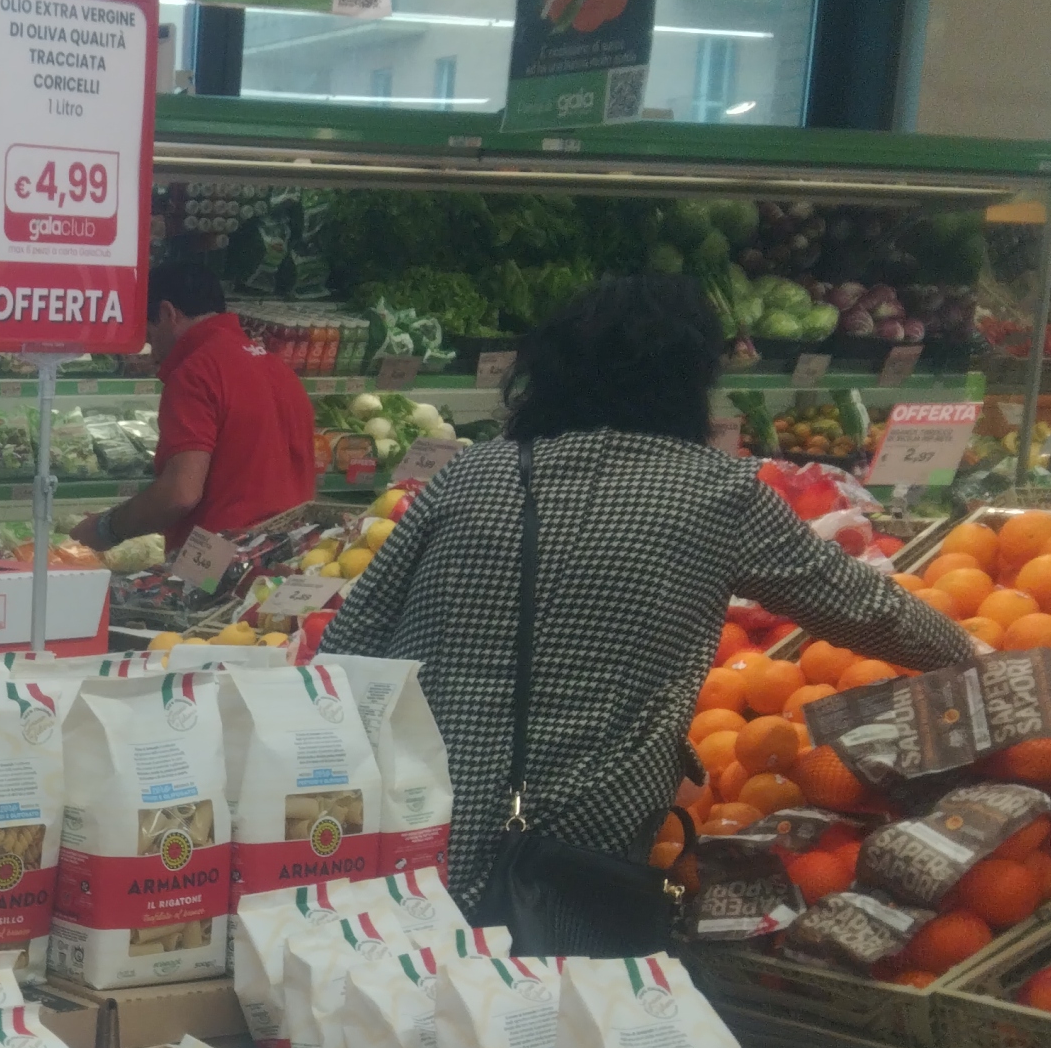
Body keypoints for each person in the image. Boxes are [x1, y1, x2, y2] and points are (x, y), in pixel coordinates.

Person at [320, 273, 976, 921]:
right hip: (583, 830)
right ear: (689, 381)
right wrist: (978, 659)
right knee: (553, 978)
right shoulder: (716, 493)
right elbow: (868, 609)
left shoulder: (472, 473)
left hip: (413, 812)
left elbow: (354, 635)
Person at [71, 242, 319, 555]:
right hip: (290, 549)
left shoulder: (195, 372)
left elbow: (180, 493)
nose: (153, 351)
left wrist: (106, 528)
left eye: (149, 335)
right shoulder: (276, 367)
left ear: (167, 313)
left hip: (220, 558)